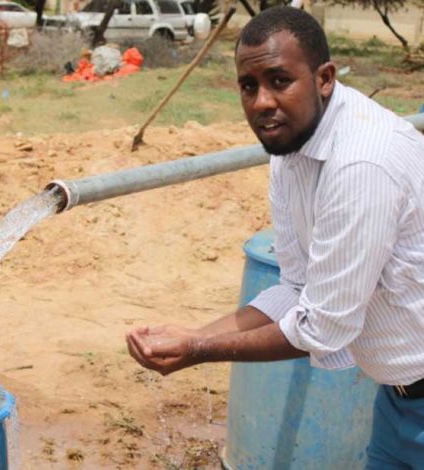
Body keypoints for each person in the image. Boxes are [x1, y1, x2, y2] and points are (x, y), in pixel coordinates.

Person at [126, 6, 424, 468]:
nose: (261, 101)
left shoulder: (363, 164)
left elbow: (323, 327)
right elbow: (296, 288)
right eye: (249, 86)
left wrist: (199, 350)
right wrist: (192, 335)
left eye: (279, 80)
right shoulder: (289, 149)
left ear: (324, 78)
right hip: (397, 399)